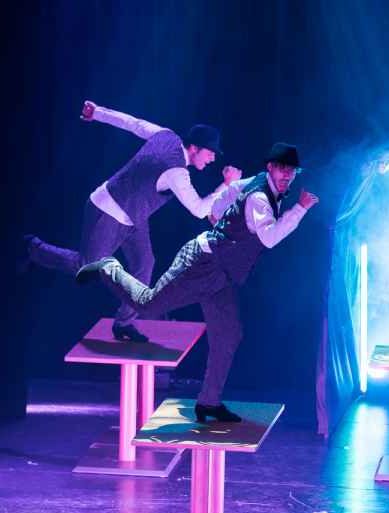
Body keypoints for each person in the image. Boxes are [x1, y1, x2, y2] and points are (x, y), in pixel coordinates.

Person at [76, 143, 319, 423]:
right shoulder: (260, 198)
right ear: (271, 167)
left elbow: (226, 195)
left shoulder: (258, 182)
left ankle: (209, 402)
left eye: (292, 170)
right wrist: (300, 209)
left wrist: (221, 217)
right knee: (148, 304)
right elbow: (270, 238)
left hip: (223, 273)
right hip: (202, 264)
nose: (287, 175)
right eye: (282, 169)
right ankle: (108, 267)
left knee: (229, 334)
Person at [24, 100, 241, 342]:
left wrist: (97, 112)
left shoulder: (165, 135)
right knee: (86, 266)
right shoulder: (177, 172)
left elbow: (132, 123)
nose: (212, 159)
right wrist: (227, 185)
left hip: (134, 217)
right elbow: (199, 209)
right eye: (210, 152)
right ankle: (34, 248)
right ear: (194, 148)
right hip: (107, 210)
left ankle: (124, 324)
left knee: (144, 263)